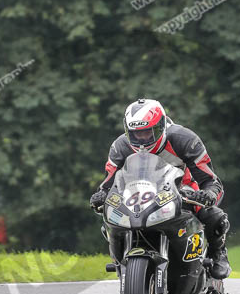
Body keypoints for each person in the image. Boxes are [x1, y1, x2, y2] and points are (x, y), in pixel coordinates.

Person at [90, 98, 230, 279]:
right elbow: (109, 183)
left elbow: (211, 179)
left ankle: (218, 253)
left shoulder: (184, 139)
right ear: (127, 131)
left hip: (181, 190)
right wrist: (101, 195)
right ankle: (120, 261)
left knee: (214, 216)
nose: (141, 140)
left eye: (148, 133)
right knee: (111, 218)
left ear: (161, 126)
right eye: (136, 134)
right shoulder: (120, 146)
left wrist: (208, 195)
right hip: (136, 196)